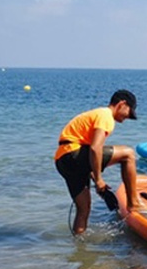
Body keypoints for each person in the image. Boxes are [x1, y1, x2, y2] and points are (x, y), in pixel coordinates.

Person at [55, 89, 141, 235]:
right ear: (122, 104)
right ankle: (133, 204)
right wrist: (100, 180)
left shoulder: (97, 114)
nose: (127, 118)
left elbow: (87, 153)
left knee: (84, 209)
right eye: (129, 113)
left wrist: (97, 182)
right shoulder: (105, 115)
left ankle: (79, 248)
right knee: (128, 154)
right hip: (73, 154)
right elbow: (95, 149)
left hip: (63, 161)